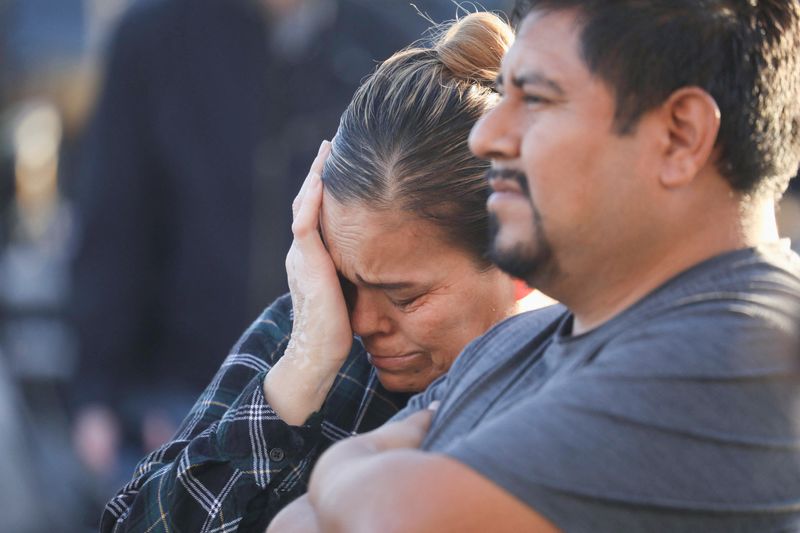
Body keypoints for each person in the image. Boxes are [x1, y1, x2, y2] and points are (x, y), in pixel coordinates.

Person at [270, 1, 800, 532]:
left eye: (537, 99)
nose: (487, 137)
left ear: (680, 135)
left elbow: (396, 518)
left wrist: (340, 469)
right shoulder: (520, 341)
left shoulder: (751, 349)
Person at [101, 12, 529, 532]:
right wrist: (301, 372)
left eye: (405, 296)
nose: (362, 322)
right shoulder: (306, 329)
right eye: (345, 279)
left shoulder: (578, 374)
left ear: (517, 253)